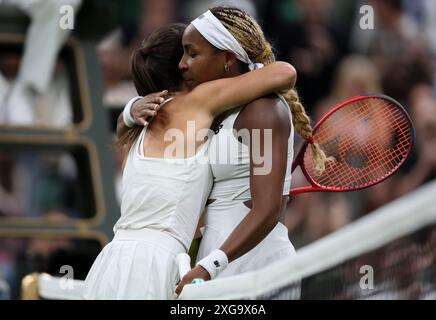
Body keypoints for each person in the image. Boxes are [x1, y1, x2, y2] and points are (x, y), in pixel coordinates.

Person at [119, 7, 330, 297]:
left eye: (192, 54)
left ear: (228, 58)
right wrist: (131, 110)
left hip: (256, 267)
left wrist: (209, 266)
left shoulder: (264, 111)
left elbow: (267, 210)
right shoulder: (221, 115)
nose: (182, 64)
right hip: (219, 263)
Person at [82, 23, 297, 300]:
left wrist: (129, 109)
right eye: (188, 55)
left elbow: (121, 128)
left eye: (193, 55)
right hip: (155, 266)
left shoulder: (137, 125)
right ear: (181, 70)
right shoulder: (197, 102)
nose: (189, 62)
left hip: (110, 264)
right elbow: (284, 72)